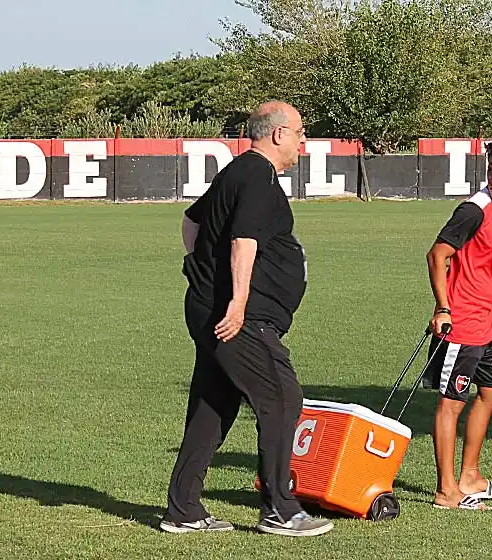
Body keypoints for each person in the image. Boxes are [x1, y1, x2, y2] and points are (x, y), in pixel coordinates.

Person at [159, 100, 334, 537]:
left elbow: (190, 221)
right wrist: (236, 302)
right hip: (240, 317)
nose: (302, 141)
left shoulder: (237, 172)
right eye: (299, 132)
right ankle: (280, 508)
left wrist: (202, 272)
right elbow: (243, 241)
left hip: (212, 309)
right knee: (281, 398)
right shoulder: (256, 174)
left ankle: (182, 509)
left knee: (212, 406)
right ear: (277, 134)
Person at [422, 133, 492, 511]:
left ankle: (470, 476)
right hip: (462, 322)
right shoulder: (474, 209)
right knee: (451, 402)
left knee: (491, 393)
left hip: (488, 320)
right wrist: (443, 308)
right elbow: (437, 256)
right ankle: (446, 490)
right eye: (491, 171)